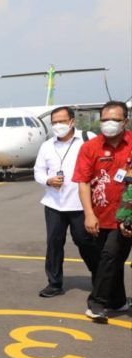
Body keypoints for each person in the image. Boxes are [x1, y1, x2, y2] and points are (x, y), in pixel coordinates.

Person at [73, 101, 132, 322]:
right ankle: (117, 301)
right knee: (108, 260)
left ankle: (96, 303)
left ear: (125, 121)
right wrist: (89, 214)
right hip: (100, 215)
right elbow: (83, 182)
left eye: (115, 119)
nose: (109, 124)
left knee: (110, 256)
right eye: (105, 119)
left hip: (125, 215)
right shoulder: (90, 147)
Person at [33, 107, 99, 297]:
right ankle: (54, 283)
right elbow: (38, 171)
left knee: (85, 241)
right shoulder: (47, 145)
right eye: (54, 122)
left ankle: (99, 277)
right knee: (54, 243)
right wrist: (48, 180)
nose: (58, 125)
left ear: (72, 121)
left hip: (81, 204)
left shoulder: (88, 138)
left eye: (62, 121)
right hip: (54, 203)